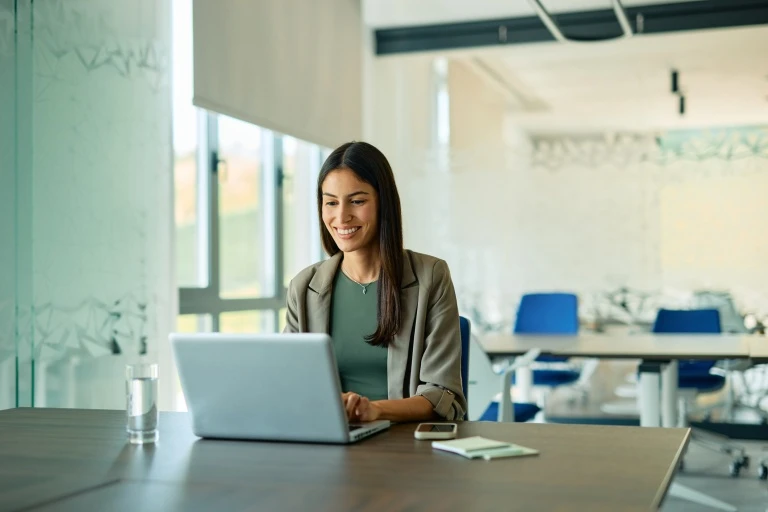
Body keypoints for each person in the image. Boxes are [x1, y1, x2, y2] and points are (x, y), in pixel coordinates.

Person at [284, 141, 466, 423]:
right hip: (329, 442)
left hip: (407, 447)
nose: (341, 216)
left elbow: (443, 394)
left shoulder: (431, 277)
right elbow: (290, 384)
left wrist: (375, 410)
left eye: (357, 201)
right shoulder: (304, 287)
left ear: (384, 203)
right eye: (331, 202)